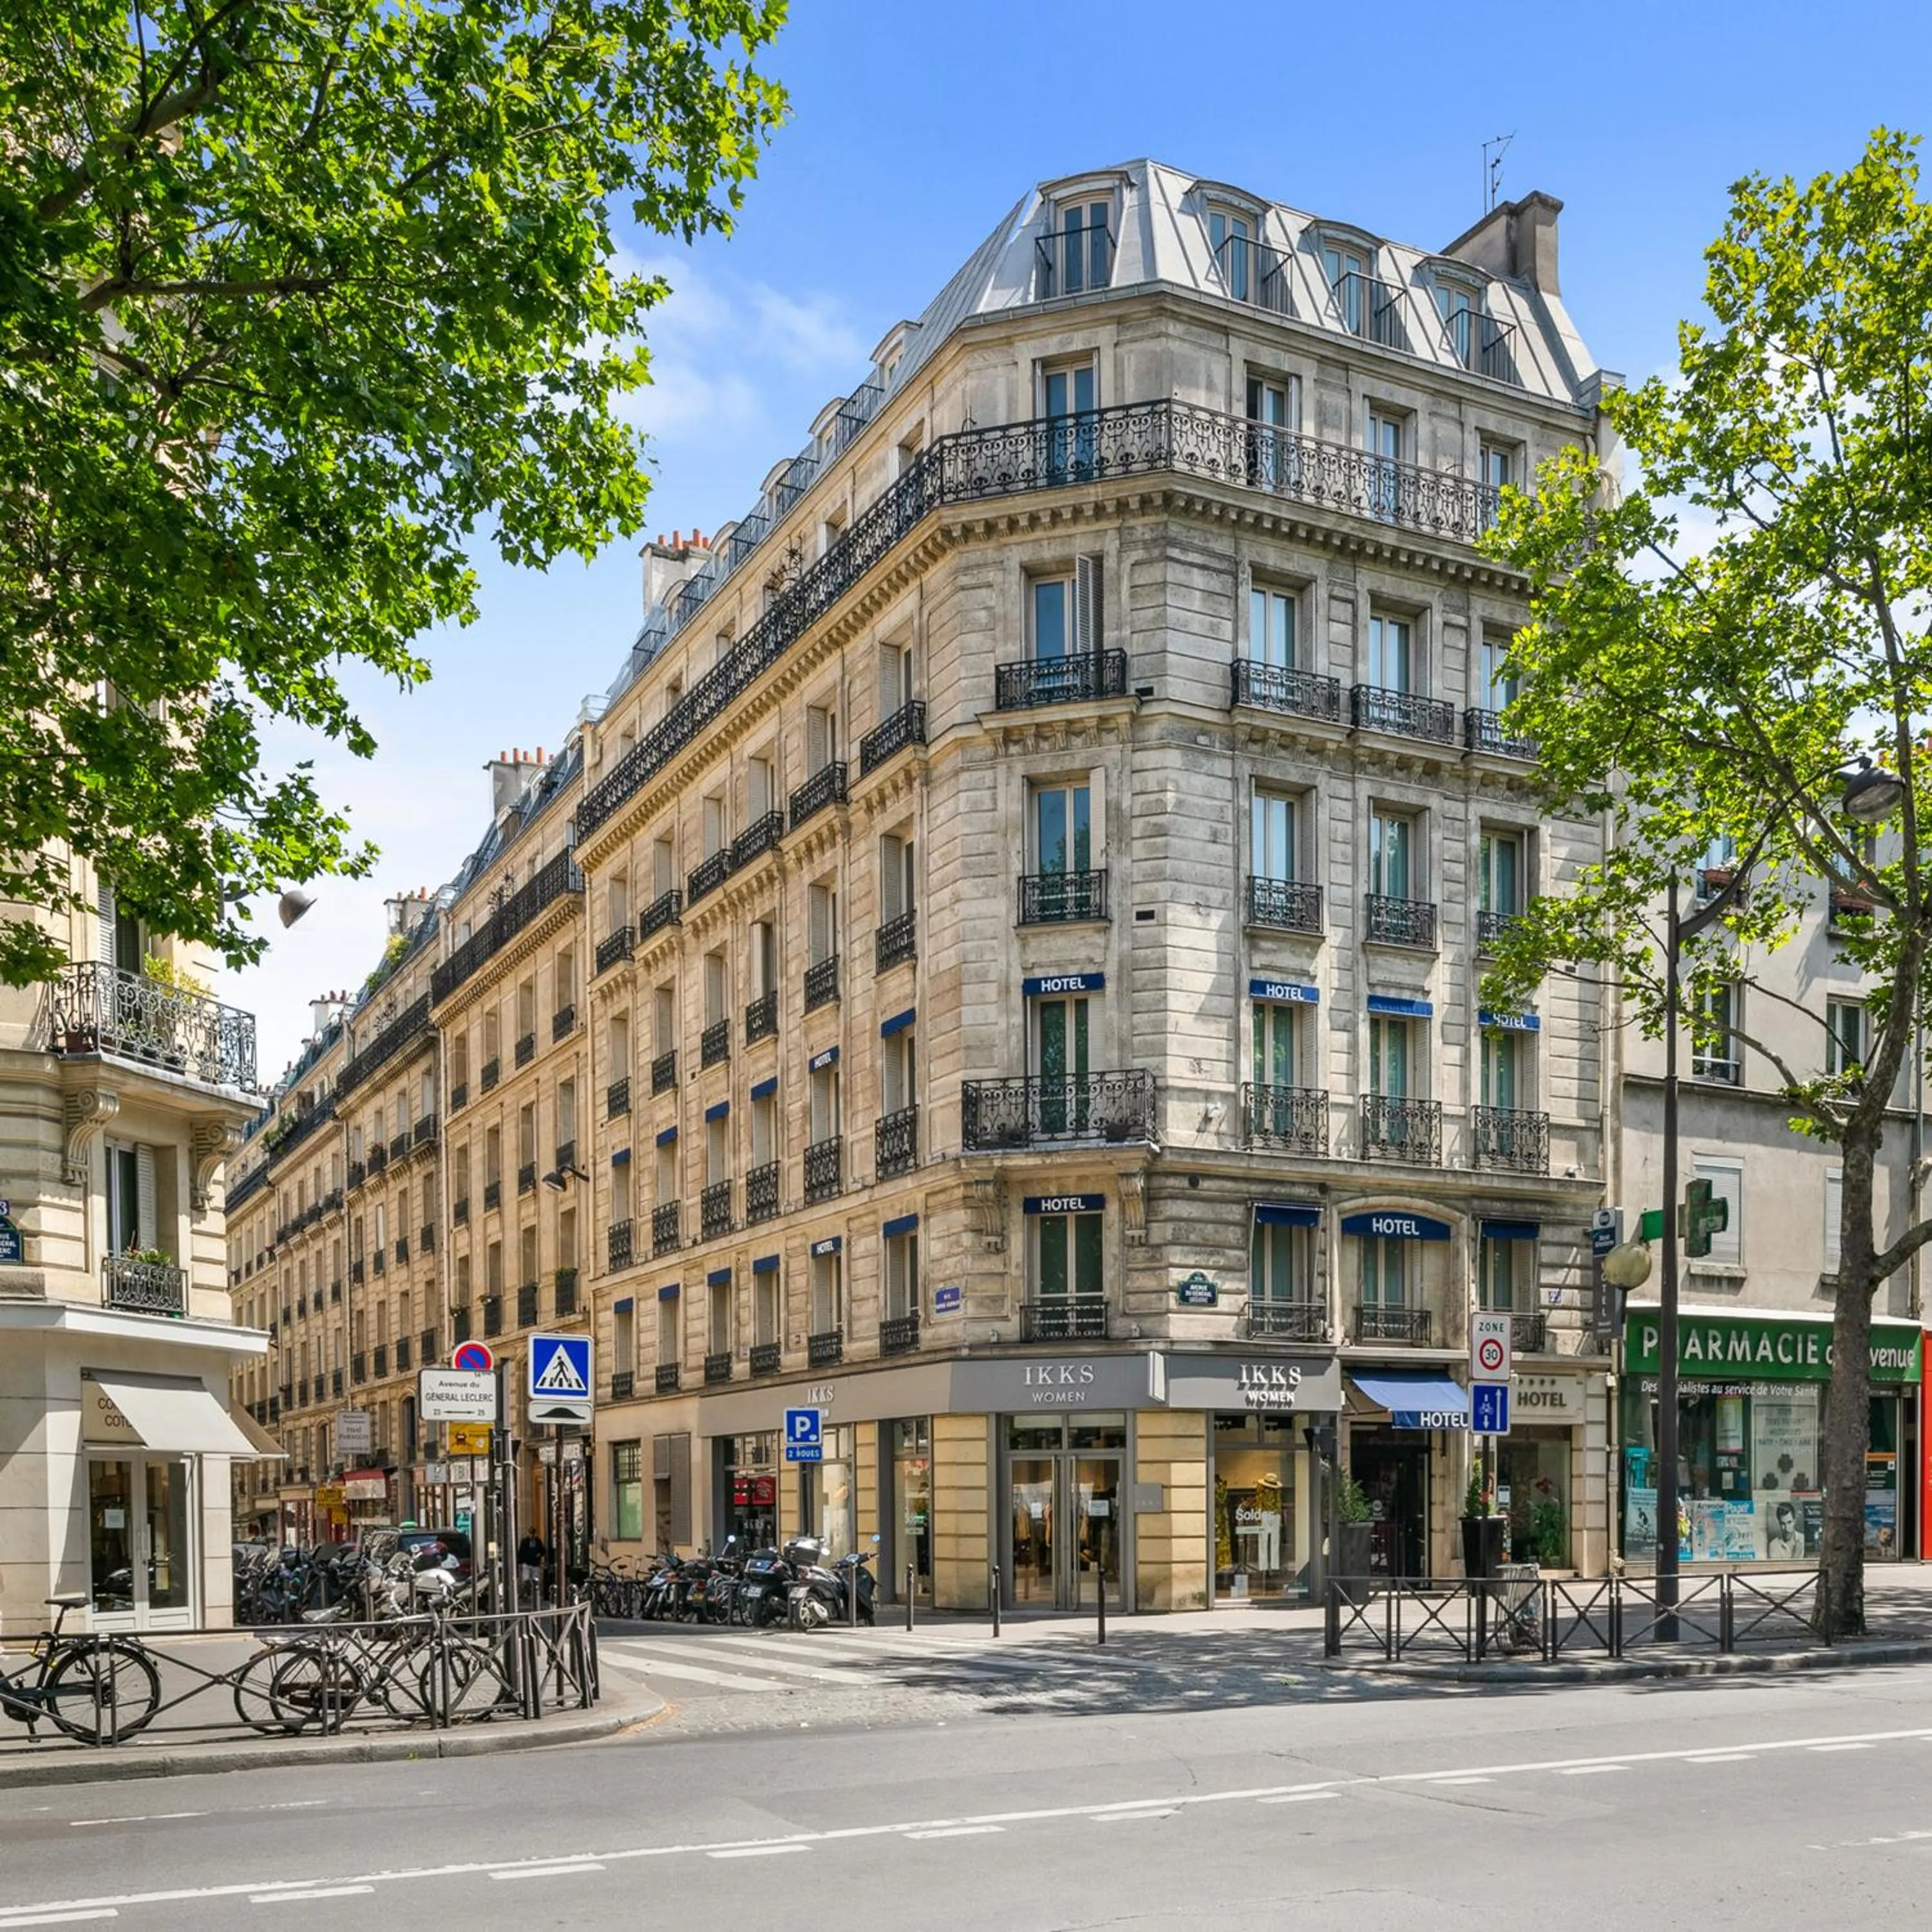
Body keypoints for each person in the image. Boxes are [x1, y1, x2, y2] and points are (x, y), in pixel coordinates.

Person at [517, 1531, 546, 1604]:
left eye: (533, 1534)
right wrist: (520, 1562)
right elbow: (521, 1552)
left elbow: (543, 1550)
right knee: (526, 1579)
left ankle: (534, 1594)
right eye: (530, 1533)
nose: (531, 1535)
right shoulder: (525, 1541)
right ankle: (526, 1594)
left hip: (535, 1564)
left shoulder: (538, 1541)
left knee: (535, 1580)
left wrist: (539, 1555)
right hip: (527, 1563)